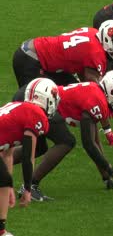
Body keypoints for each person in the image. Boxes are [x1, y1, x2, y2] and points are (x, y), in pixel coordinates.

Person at [13, 72, 113, 200]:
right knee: (66, 142)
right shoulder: (97, 101)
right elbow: (88, 144)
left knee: (39, 147)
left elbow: (95, 141)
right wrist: (111, 169)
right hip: (39, 100)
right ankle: (31, 186)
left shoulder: (97, 94)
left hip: (36, 97)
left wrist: (106, 176)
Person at [0, 78, 56, 236]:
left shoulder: (17, 108)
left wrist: (9, 184)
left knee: (3, 182)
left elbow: (7, 154)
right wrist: (28, 188)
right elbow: (27, 156)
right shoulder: (36, 114)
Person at [12, 21, 113, 88]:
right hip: (31, 59)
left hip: (40, 55)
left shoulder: (93, 32)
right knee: (33, 104)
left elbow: (82, 68)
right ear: (108, 41)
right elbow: (91, 86)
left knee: (71, 91)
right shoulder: (96, 53)